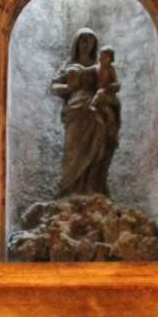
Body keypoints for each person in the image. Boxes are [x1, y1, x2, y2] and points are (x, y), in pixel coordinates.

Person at [50, 29, 121, 197]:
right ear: (77, 43)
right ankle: (69, 189)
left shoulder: (99, 65)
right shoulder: (68, 66)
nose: (86, 44)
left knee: (97, 148)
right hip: (75, 108)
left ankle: (92, 187)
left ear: (94, 44)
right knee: (73, 149)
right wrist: (67, 87)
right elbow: (53, 88)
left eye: (90, 41)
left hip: (95, 108)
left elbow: (109, 84)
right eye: (83, 40)